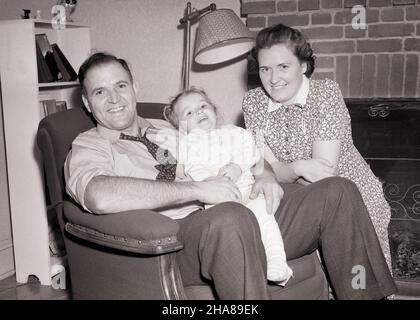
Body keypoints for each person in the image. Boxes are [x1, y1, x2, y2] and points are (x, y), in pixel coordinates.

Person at [65, 51, 396, 299]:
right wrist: (199, 189)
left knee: (336, 191)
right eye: (99, 91)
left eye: (120, 85)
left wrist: (265, 176)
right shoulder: (88, 145)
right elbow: (98, 194)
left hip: (241, 210)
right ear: (86, 101)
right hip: (175, 242)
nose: (113, 98)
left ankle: (363, 293)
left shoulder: (174, 126)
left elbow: (241, 152)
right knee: (229, 217)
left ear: (134, 86)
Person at [242, 24, 393, 276]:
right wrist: (297, 168)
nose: (273, 79)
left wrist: (281, 170)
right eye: (265, 69)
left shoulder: (325, 93)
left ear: (303, 66)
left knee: (358, 281)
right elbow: (264, 167)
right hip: (302, 204)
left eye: (283, 66)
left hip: (354, 202)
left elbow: (322, 174)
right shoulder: (253, 102)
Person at [163, 87, 293, 285]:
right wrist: (212, 179)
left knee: (265, 215)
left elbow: (251, 151)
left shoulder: (234, 132)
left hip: (248, 190)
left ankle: (277, 261)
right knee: (230, 226)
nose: (198, 111)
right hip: (218, 198)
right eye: (189, 112)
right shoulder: (188, 144)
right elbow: (193, 168)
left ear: (214, 111)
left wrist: (237, 167)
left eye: (203, 105)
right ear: (182, 127)